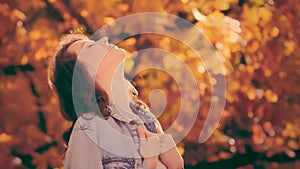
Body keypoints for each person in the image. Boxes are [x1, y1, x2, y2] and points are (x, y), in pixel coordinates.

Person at [48, 33, 184, 169]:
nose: (104, 39)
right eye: (90, 47)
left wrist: (177, 166)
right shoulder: (89, 128)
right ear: (83, 75)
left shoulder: (148, 120)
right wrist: (149, 164)